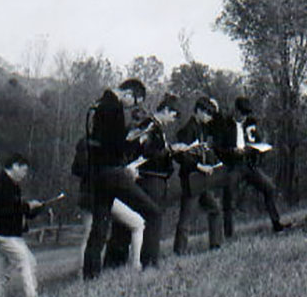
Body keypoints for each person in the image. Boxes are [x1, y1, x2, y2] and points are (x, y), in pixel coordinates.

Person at [82, 78, 162, 279]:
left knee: (99, 228)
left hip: (96, 173)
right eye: (134, 101)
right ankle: (150, 267)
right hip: (113, 173)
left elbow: (100, 141)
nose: (132, 106)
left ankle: (90, 277)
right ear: (127, 93)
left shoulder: (97, 105)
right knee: (153, 213)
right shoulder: (115, 108)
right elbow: (116, 148)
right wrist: (135, 138)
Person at [104, 93, 181, 268]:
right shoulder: (150, 126)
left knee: (128, 223)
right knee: (152, 217)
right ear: (166, 110)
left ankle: (115, 262)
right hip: (147, 179)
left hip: (151, 179)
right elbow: (145, 152)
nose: (172, 120)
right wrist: (169, 152)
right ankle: (149, 262)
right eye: (173, 116)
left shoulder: (156, 127)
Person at [213, 96, 287, 236]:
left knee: (269, 187)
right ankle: (229, 234)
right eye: (242, 113)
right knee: (228, 198)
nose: (244, 117)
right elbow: (217, 148)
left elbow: (257, 141)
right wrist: (232, 152)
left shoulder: (250, 124)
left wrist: (255, 150)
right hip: (233, 165)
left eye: (246, 114)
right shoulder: (225, 125)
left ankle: (277, 224)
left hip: (248, 164)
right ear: (235, 111)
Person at [72, 134, 145, 275]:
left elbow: (77, 169)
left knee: (88, 235)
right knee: (138, 223)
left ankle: (82, 274)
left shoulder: (84, 142)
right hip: (101, 194)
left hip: (86, 195)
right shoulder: (103, 144)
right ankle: (135, 265)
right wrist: (124, 173)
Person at [0, 153, 44, 297]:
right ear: (15, 166)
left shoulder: (8, 184)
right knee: (27, 262)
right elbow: (10, 209)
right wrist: (29, 206)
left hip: (0, 232)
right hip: (6, 234)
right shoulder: (4, 185)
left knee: (1, 271)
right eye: (23, 170)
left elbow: (15, 208)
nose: (24, 175)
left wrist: (32, 208)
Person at [173, 96, 225, 254]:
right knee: (186, 217)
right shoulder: (187, 130)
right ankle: (179, 252)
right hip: (191, 178)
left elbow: (218, 127)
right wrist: (199, 166)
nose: (210, 118)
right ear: (199, 111)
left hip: (202, 179)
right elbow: (180, 156)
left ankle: (216, 245)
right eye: (208, 114)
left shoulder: (202, 127)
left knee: (215, 209)